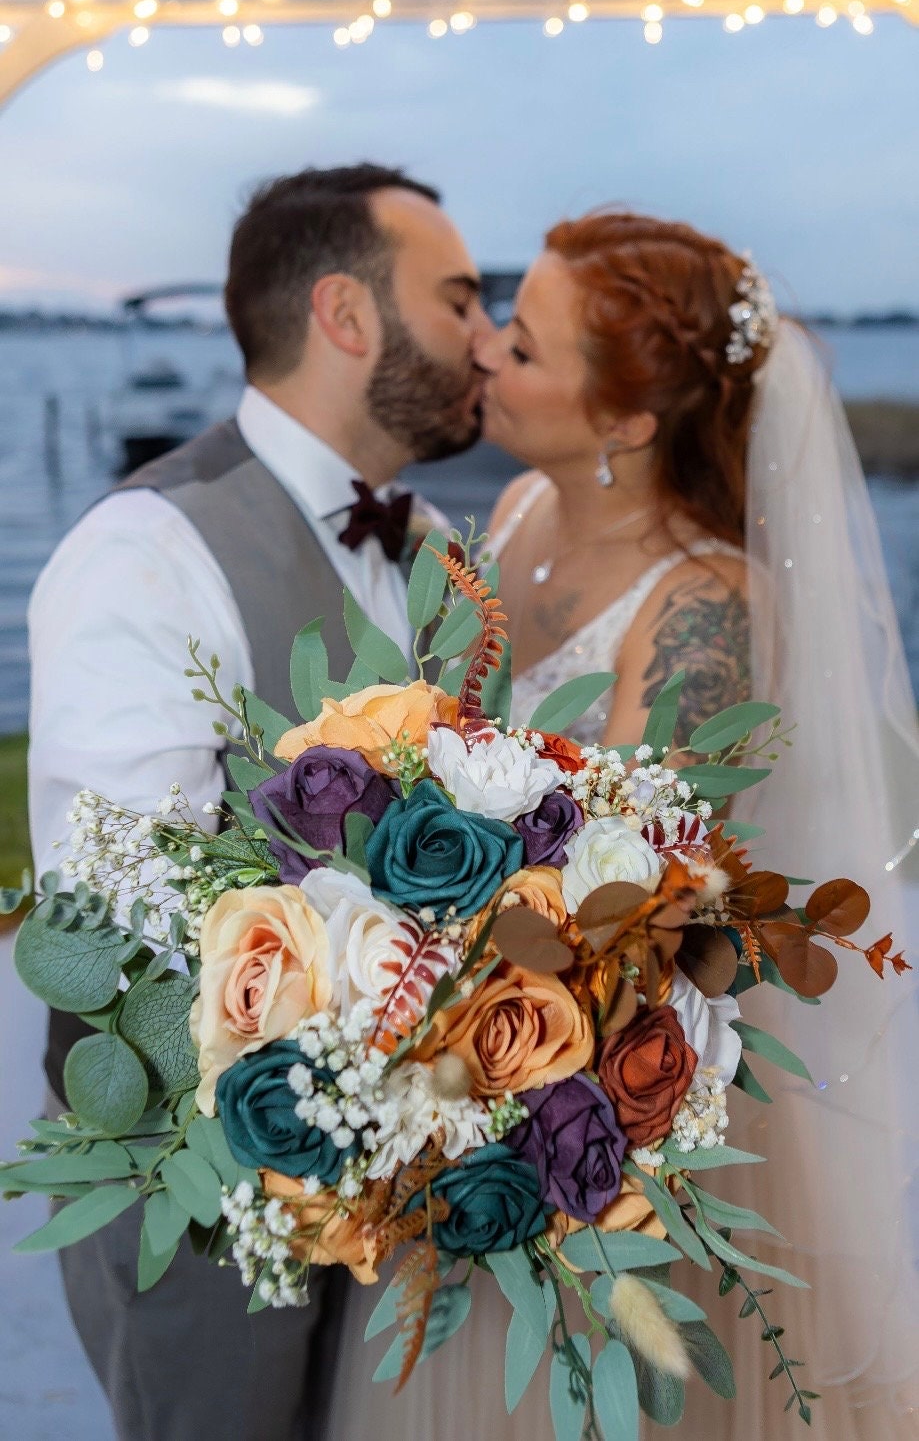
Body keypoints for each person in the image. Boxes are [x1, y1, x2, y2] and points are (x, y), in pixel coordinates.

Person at [328, 212, 919, 1438]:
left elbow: (634, 911)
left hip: (627, 1120)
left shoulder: (707, 604)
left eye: (526, 348)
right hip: (481, 1066)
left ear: (628, 421)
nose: (485, 352)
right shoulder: (519, 522)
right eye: (500, 319)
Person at [27, 162, 492, 1441]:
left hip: (423, 1200)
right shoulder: (147, 551)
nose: (484, 339)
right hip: (212, 1217)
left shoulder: (442, 554)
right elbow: (120, 916)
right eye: (456, 301)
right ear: (347, 317)